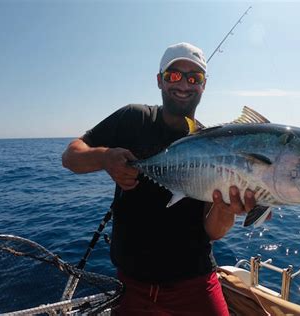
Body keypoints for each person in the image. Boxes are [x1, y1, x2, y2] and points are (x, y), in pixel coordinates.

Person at [62, 42, 257, 315]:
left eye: (194, 78)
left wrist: (226, 208)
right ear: (159, 80)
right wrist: (105, 157)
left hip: (196, 283)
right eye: (174, 75)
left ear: (203, 85)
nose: (184, 84)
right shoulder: (134, 119)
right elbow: (70, 156)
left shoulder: (213, 144)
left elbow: (212, 231)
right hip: (132, 286)